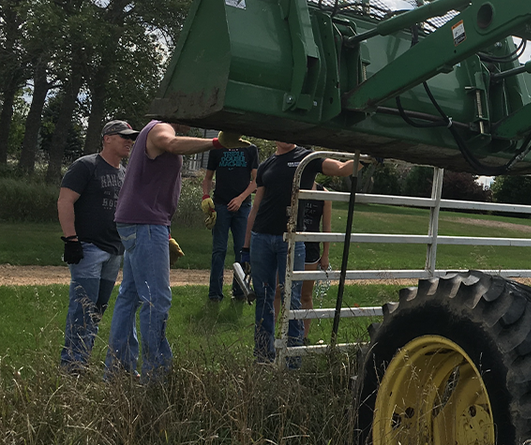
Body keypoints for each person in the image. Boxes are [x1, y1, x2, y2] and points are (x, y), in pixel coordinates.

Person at [104, 122, 249, 380]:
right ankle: (156, 376)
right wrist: (217, 143)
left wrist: (166, 233)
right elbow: (171, 144)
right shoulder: (161, 128)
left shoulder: (154, 132)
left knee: (130, 296)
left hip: (140, 221)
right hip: (146, 223)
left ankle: (118, 370)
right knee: (157, 299)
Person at [243, 143, 361, 365]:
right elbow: (256, 206)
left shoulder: (307, 158)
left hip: (291, 239)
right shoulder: (267, 163)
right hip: (261, 236)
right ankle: (262, 357)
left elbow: (341, 168)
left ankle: (292, 361)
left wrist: (367, 158)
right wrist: (246, 247)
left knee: (292, 299)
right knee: (264, 298)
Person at [57, 119, 138, 373]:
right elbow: (65, 201)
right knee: (83, 307)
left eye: (131, 137)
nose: (129, 141)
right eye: (123, 136)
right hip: (88, 248)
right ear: (107, 138)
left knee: (97, 311)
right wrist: (71, 239)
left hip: (115, 250)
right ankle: (73, 366)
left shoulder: (125, 173)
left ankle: (82, 358)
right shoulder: (86, 166)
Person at [202, 142, 259, 303]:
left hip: (243, 206)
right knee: (219, 249)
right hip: (220, 205)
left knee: (241, 249)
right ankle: (214, 294)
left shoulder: (250, 149)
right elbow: (207, 178)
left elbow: (256, 180)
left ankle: (240, 291)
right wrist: (206, 196)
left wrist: (240, 199)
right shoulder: (217, 148)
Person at [298, 181, 333, 341]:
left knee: (305, 294)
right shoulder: (292, 186)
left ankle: (303, 336)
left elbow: (327, 227)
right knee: (281, 291)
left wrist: (325, 254)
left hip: (311, 247)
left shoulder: (323, 194)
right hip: (289, 244)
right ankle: (281, 332)